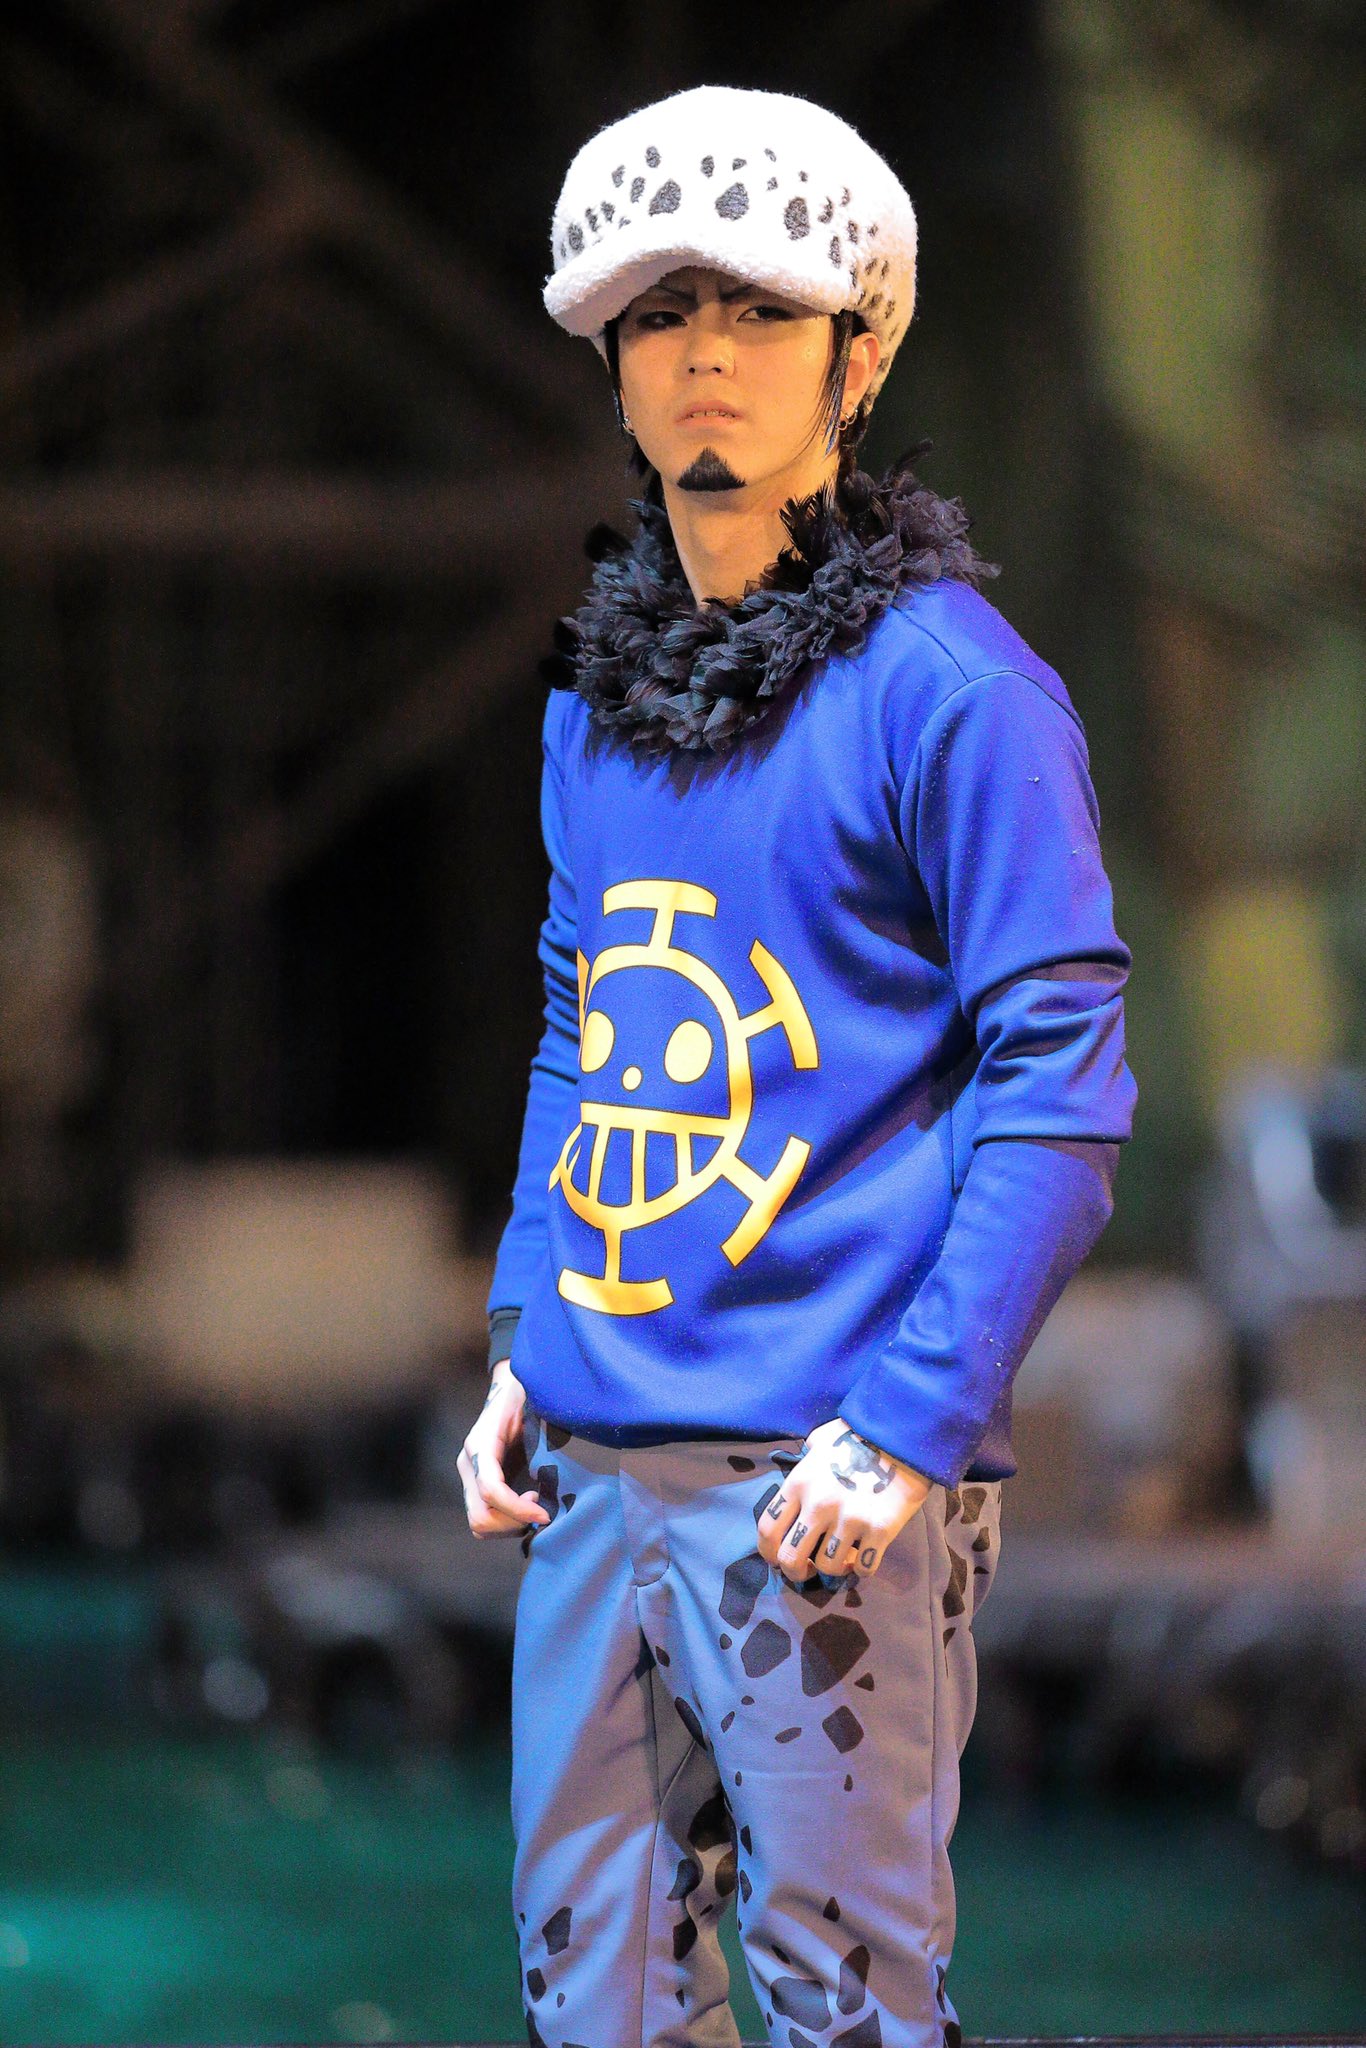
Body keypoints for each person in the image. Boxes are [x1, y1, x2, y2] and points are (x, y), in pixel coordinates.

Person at [459, 84, 1137, 2048]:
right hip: (598, 1462)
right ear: (608, 360)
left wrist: (910, 1422)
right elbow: (585, 1018)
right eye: (659, 314)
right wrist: (528, 1328)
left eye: (757, 309)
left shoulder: (952, 696)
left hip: (819, 1477)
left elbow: (1061, 1084)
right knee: (588, 1987)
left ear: (855, 350)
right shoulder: (596, 707)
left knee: (844, 1993)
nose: (704, 354)